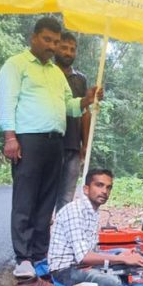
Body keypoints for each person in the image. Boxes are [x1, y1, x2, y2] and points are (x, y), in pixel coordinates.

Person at [0, 16, 102, 281]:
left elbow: (70, 106)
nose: (52, 46)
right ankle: (23, 258)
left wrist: (87, 100)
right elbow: (7, 102)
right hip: (28, 139)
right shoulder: (16, 65)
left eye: (56, 42)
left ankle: (40, 255)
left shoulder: (56, 73)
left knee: (46, 201)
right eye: (47, 40)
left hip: (56, 141)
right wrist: (10, 137)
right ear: (34, 37)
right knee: (25, 199)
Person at [48, 169, 143, 286]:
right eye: (99, 185)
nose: (104, 191)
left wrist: (120, 255)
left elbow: (90, 252)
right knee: (112, 283)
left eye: (108, 187)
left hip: (83, 263)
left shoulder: (93, 211)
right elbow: (84, 256)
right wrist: (121, 258)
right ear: (86, 189)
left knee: (126, 252)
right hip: (65, 270)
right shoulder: (75, 211)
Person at [54, 32, 91, 212]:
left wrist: (86, 143)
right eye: (64, 48)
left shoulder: (80, 79)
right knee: (47, 192)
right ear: (55, 47)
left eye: (72, 49)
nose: (68, 53)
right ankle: (41, 238)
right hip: (51, 141)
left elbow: (85, 112)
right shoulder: (47, 73)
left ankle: (60, 237)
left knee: (66, 197)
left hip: (73, 144)